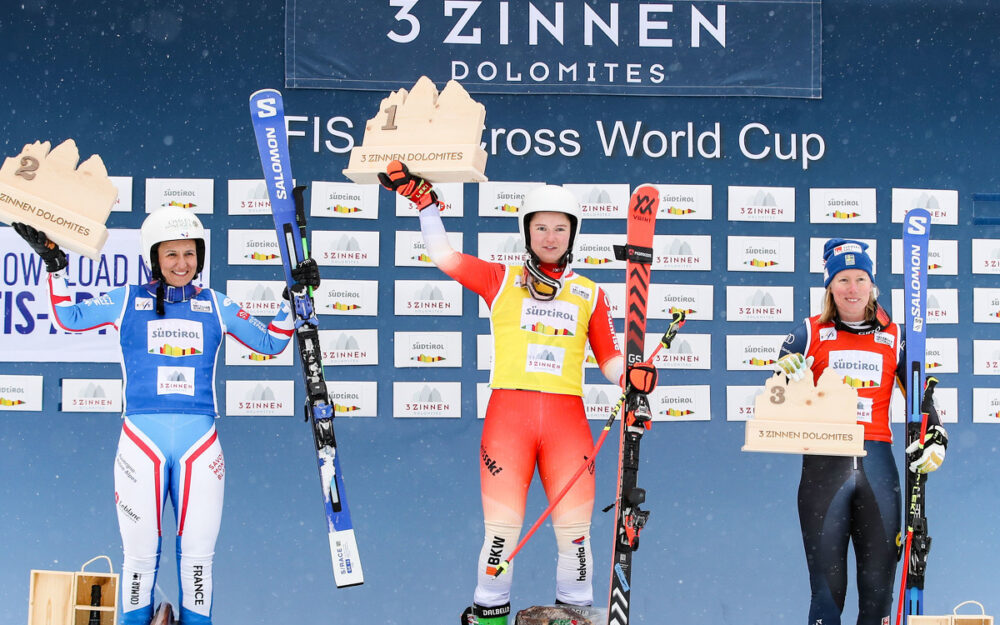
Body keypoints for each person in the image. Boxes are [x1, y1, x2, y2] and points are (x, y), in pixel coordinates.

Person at [379, 161, 657, 625]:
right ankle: (488, 616)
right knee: (501, 536)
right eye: (542, 227)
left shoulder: (589, 294)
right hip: (509, 422)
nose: (550, 237)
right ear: (527, 233)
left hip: (567, 427)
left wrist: (632, 377)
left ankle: (577, 618)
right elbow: (444, 256)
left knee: (575, 537)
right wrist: (426, 205)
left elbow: (609, 361)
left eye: (560, 229)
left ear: (572, 235)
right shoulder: (501, 279)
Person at [13, 206, 319, 625]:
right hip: (141, 442)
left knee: (198, 561)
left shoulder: (215, 303)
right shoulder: (127, 299)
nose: (182, 264)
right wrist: (56, 267)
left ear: (201, 257)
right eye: (171, 254)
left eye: (190, 254)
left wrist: (294, 298)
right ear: (154, 256)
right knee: (138, 557)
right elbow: (70, 317)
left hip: (200, 445)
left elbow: (270, 343)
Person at [773, 238, 948, 625]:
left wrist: (937, 436)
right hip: (824, 466)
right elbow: (775, 396)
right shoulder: (807, 332)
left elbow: (922, 399)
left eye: (860, 279)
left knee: (878, 597)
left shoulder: (897, 336)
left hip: (878, 468)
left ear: (873, 284)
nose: (852, 289)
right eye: (842, 280)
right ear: (829, 287)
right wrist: (788, 382)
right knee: (826, 593)